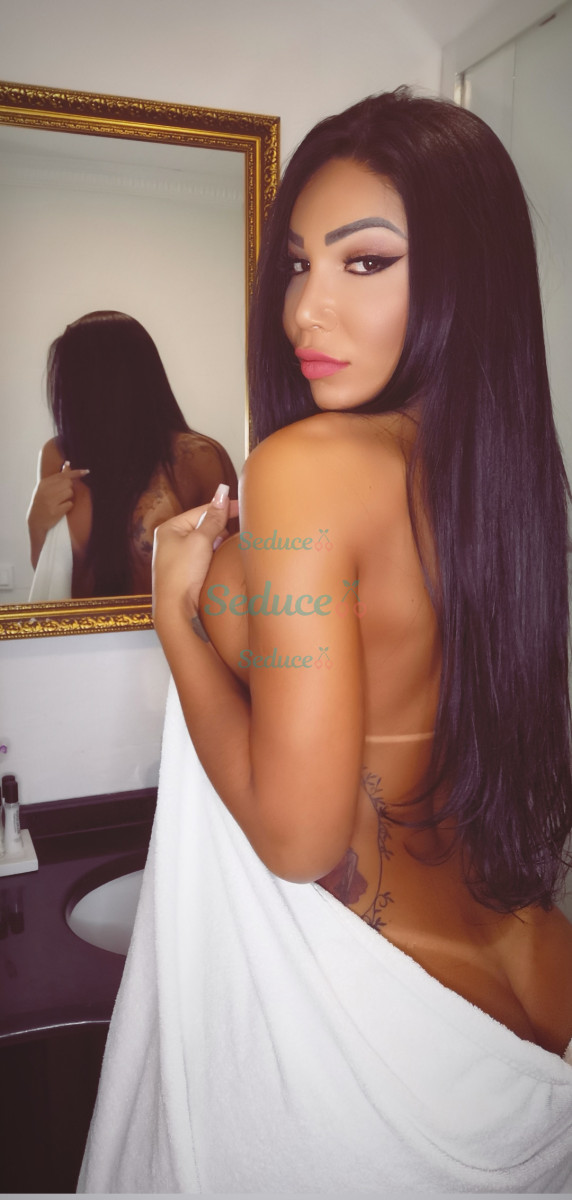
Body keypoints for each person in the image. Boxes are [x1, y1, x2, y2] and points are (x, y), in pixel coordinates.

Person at [79, 90, 572, 1193]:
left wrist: (176, 622)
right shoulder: (504, 484)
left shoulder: (309, 468)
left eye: (365, 262)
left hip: (371, 1007)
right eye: (298, 264)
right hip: (521, 954)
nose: (305, 308)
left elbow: (300, 842)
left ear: (467, 277)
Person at [26, 310, 238, 599]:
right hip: (79, 627)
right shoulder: (58, 453)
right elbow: (51, 579)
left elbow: (232, 571)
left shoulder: (197, 457)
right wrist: (36, 525)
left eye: (75, 377)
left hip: (166, 627)